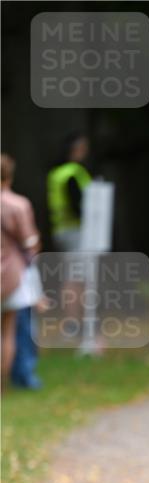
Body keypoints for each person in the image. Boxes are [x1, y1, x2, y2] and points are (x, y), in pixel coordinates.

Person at [1, 153, 42, 384]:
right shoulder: (18, 205)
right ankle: (4, 384)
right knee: (9, 330)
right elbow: (29, 243)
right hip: (11, 275)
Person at [47, 133, 91, 251]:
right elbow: (76, 203)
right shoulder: (73, 172)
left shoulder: (56, 173)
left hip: (59, 230)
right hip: (75, 230)